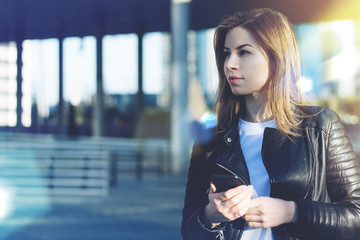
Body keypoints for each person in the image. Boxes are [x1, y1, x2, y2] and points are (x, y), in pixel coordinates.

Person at [181, 8, 360, 240]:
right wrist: (211, 216)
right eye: (227, 54)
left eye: (243, 52)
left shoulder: (320, 126)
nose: (230, 64)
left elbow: (356, 215)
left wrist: (292, 212)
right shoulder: (212, 138)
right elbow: (188, 230)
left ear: (276, 58)